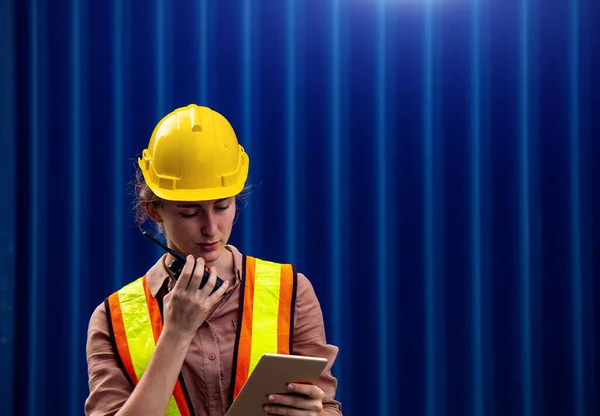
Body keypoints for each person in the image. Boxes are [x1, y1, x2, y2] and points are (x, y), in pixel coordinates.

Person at [85, 104, 342, 416]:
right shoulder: (114, 320)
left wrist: (312, 412)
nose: (210, 228)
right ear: (155, 211)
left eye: (222, 207)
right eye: (190, 212)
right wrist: (177, 333)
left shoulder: (291, 292)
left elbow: (327, 407)